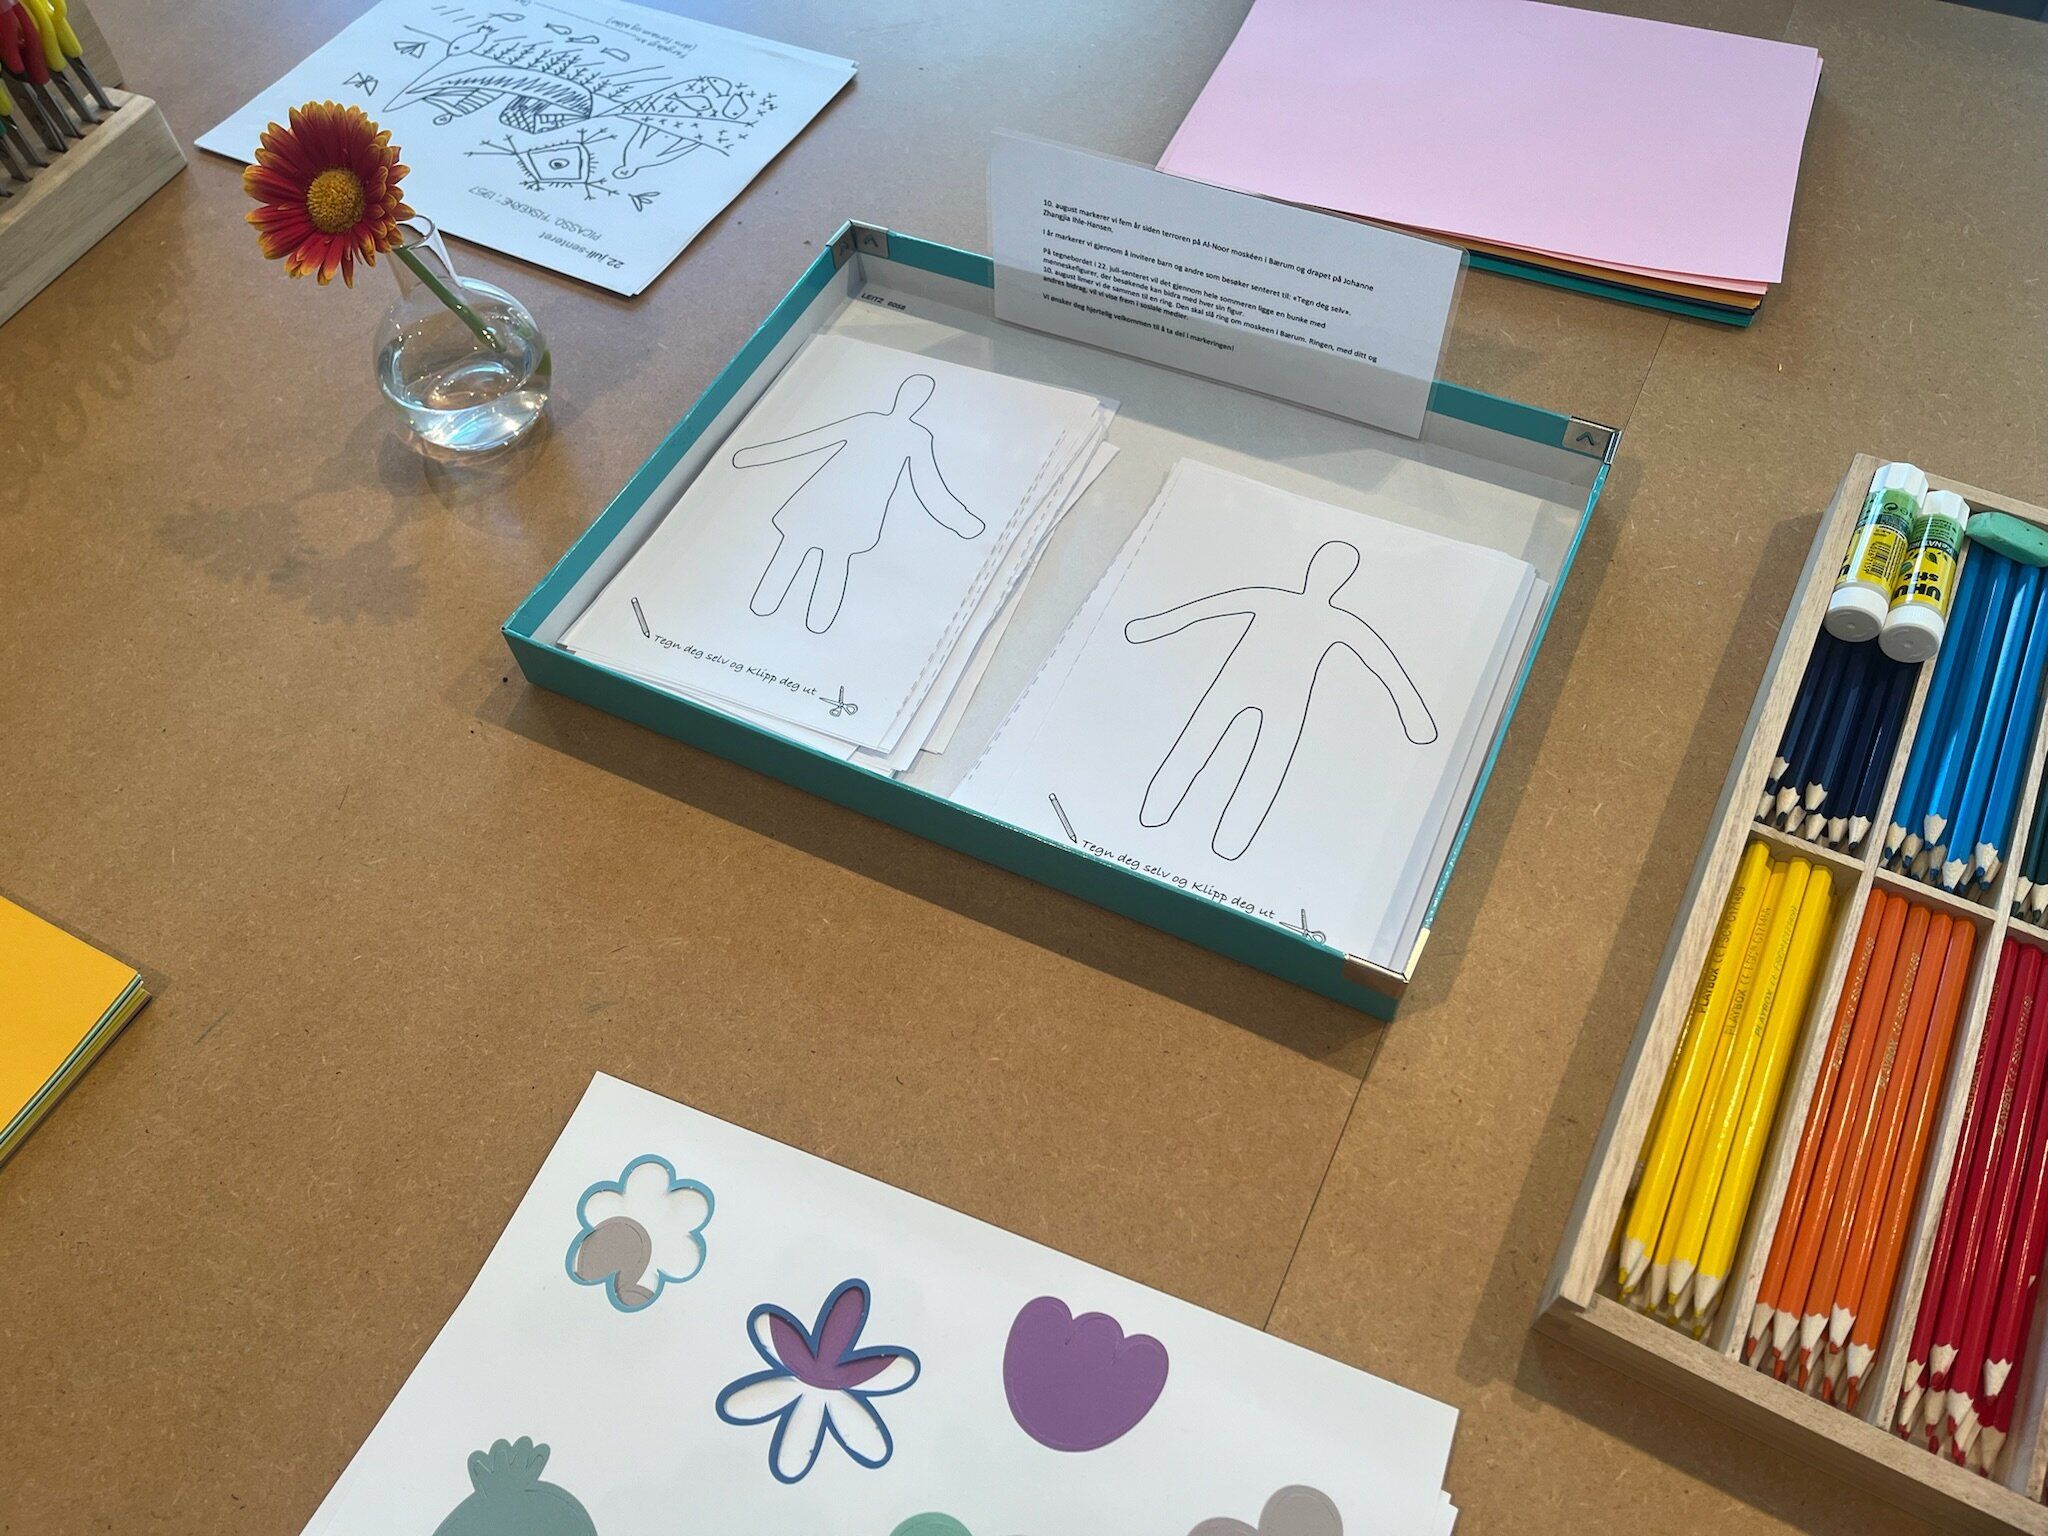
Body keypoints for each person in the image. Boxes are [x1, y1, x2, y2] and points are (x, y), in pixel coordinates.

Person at [1124, 540, 1437, 860]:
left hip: (1270, 696)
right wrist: (1415, 717)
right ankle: (1190, 825)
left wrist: (1414, 715)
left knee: (1244, 759)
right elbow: (1206, 609)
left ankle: (1214, 834)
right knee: (1242, 758)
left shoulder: (1299, 608)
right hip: (1251, 691)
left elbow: (1384, 665)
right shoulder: (1289, 604)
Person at [732, 374, 984, 634]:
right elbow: (812, 441)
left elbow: (928, 486)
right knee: (802, 552)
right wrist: (754, 456)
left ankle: (810, 624)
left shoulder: (913, 437)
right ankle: (772, 609)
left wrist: (962, 521)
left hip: (848, 510)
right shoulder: (876, 424)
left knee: (824, 558)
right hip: (826, 503)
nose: (910, 399)